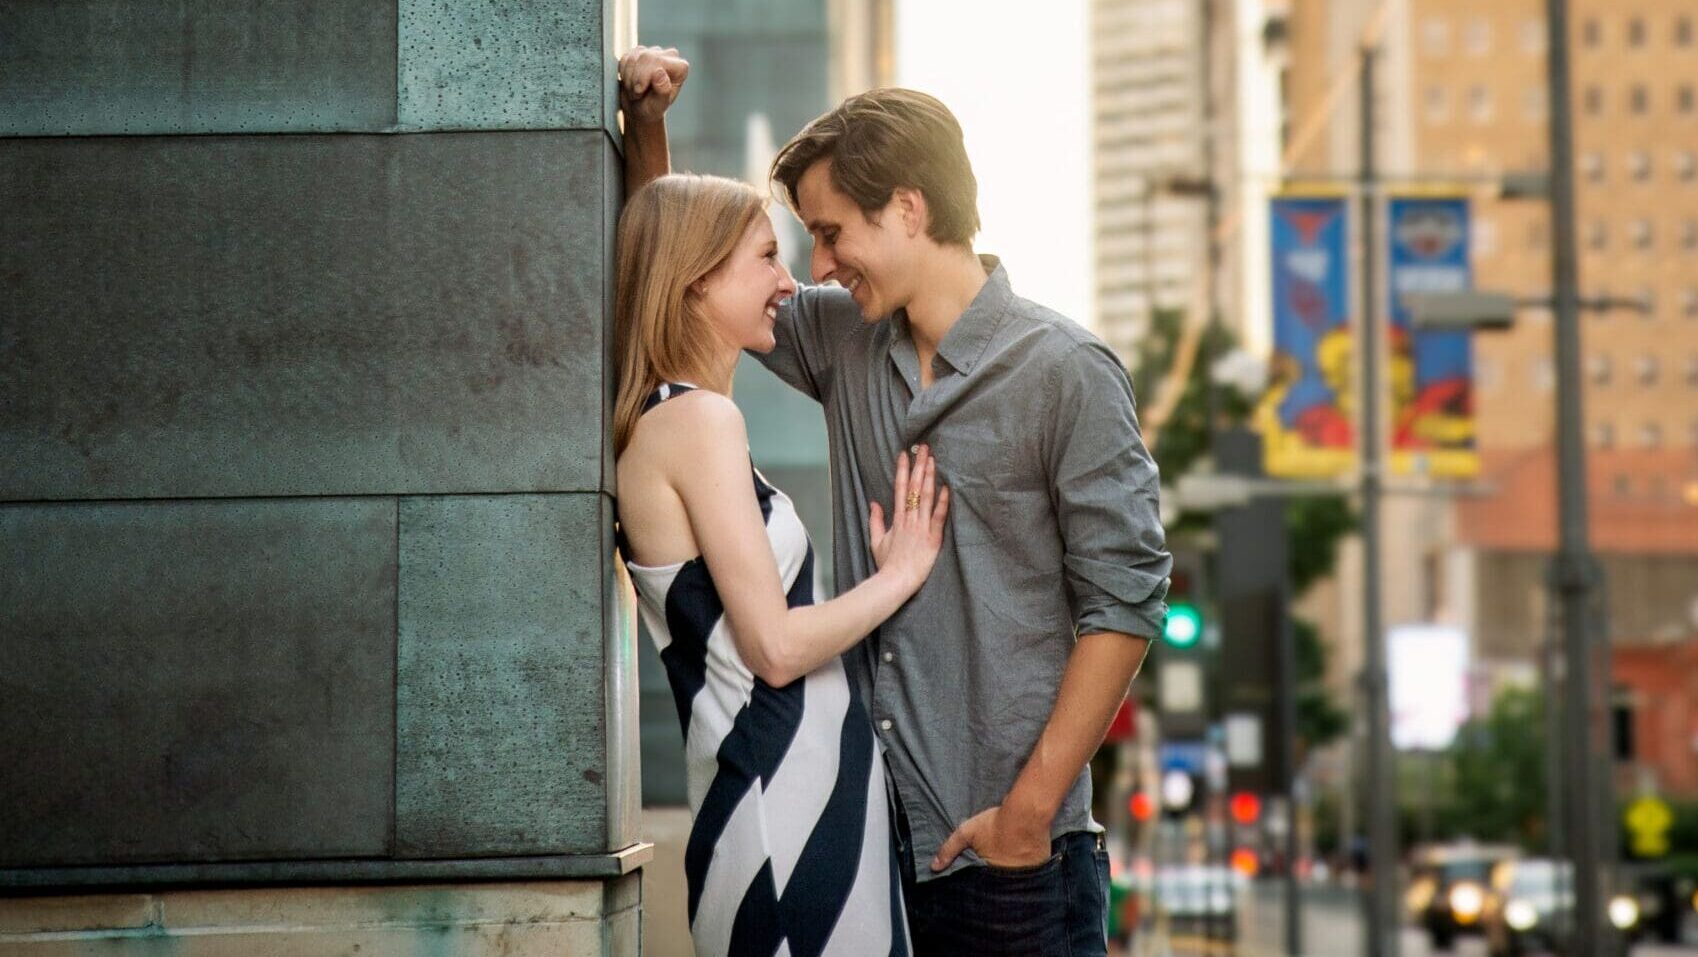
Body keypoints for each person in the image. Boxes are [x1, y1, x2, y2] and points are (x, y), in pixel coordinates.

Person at [620, 47, 1171, 956]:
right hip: (870, 845)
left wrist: (1027, 815)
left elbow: (1125, 602)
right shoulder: (847, 339)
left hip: (1009, 860)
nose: (820, 264)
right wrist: (648, 131)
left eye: (832, 233)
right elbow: (689, 279)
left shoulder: (1067, 373)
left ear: (909, 209)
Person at [613, 171, 947, 956]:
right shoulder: (698, 421)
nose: (789, 282)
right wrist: (900, 573)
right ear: (697, 281)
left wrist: (646, 121)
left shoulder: (683, 418)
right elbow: (774, 647)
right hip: (782, 814)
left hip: (800, 808)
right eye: (767, 256)